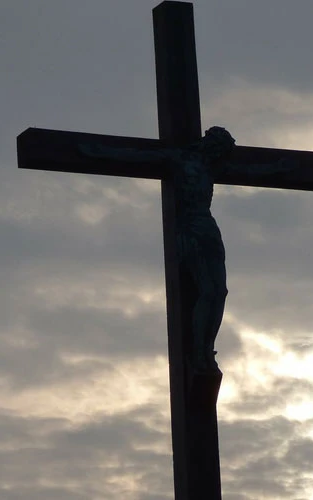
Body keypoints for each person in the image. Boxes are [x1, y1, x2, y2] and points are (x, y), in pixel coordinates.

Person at [79, 126, 288, 373]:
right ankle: (198, 351)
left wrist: (278, 168)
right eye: (218, 148)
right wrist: (101, 152)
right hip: (189, 229)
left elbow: (251, 172)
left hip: (208, 228)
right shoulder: (179, 159)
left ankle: (207, 349)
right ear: (209, 143)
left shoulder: (213, 167)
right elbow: (138, 157)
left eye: (223, 151)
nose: (219, 154)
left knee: (219, 292)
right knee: (208, 290)